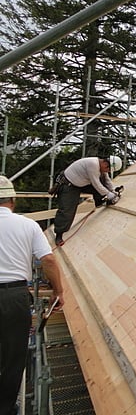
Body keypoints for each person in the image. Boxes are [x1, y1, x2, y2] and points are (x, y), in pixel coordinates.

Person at [0, 176, 65, 415]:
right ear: (13, 200)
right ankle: (5, 408)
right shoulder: (28, 225)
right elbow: (47, 259)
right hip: (14, 297)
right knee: (13, 357)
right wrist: (58, 291)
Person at [53, 155, 124, 246]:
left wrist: (113, 190)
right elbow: (96, 184)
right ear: (106, 164)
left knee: (102, 182)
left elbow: (106, 180)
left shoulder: (101, 165)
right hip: (69, 185)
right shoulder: (93, 165)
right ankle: (59, 234)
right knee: (67, 210)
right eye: (108, 170)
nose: (108, 172)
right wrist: (109, 194)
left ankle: (99, 201)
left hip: (81, 183)